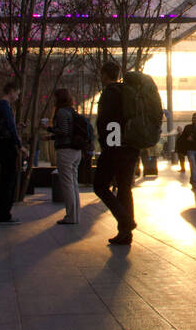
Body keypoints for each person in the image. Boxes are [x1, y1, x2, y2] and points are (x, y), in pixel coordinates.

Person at [94, 61, 139, 245]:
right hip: (132, 146)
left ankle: (125, 221)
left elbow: (108, 122)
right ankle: (125, 234)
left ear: (105, 74)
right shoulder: (126, 92)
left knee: (99, 185)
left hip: (115, 146)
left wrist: (109, 146)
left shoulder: (110, 93)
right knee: (124, 187)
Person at [51, 88, 87, 226]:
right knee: (73, 184)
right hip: (76, 152)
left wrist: (49, 129)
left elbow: (64, 132)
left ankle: (71, 216)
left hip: (65, 151)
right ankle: (75, 215)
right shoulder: (72, 111)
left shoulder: (61, 112)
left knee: (67, 185)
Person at [0, 82, 26, 224]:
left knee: (6, 179)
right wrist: (20, 145)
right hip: (7, 148)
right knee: (9, 179)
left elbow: (7, 126)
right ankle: (5, 214)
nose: (17, 97)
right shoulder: (5, 107)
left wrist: (16, 127)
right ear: (11, 91)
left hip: (0, 146)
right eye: (17, 93)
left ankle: (4, 213)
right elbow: (10, 128)